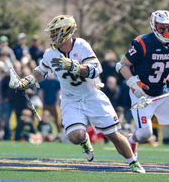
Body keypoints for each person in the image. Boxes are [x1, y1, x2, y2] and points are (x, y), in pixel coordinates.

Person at [17, 15, 145, 173]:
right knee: (75, 136)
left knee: (113, 135)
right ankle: (84, 140)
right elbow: (40, 71)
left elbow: (96, 70)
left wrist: (74, 67)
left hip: (92, 96)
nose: (51, 35)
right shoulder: (51, 53)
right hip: (71, 101)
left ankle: (133, 162)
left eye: (55, 31)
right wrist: (27, 80)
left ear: (66, 31)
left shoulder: (81, 45)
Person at [117, 10, 169, 160]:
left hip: (162, 92)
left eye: (168, 27)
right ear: (154, 26)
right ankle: (132, 140)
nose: (166, 31)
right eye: (162, 27)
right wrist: (133, 83)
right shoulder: (143, 42)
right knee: (145, 134)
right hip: (142, 94)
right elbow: (121, 65)